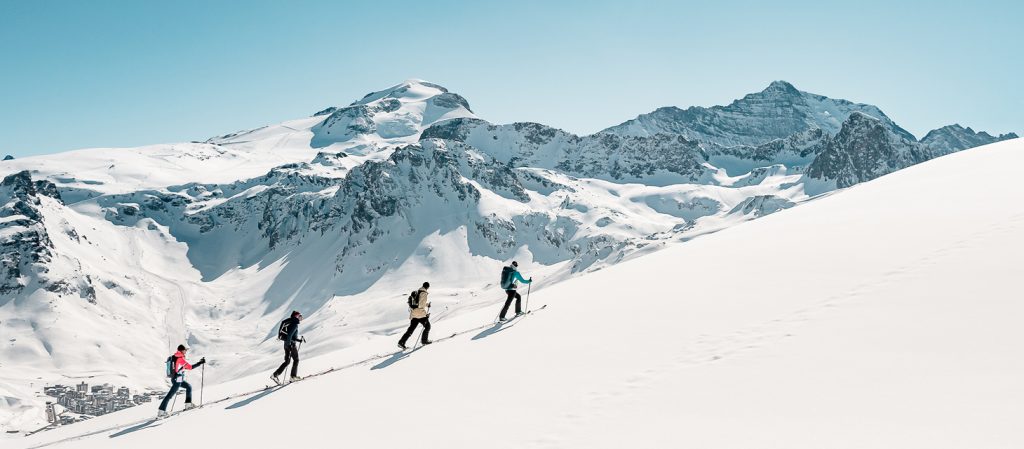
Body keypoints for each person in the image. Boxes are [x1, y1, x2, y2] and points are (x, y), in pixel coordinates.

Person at [158, 344, 205, 417]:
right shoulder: (180, 358)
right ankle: (161, 411)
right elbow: (190, 367)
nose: (186, 351)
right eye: (185, 350)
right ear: (182, 350)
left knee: (188, 387)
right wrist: (200, 363)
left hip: (176, 378)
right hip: (178, 379)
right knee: (170, 395)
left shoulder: (175, 357)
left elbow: (180, 367)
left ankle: (188, 405)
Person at [271, 311, 305, 385]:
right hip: (291, 345)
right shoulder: (294, 324)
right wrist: (290, 345)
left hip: (286, 344)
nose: (301, 317)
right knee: (296, 360)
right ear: (296, 316)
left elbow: (290, 335)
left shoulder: (291, 322)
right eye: (300, 316)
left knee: (287, 361)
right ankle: (293, 377)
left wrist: (298, 340)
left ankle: (275, 375)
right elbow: (289, 335)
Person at [398, 282, 432, 350]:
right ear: (427, 287)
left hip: (414, 315)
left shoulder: (418, 292)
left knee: (410, 330)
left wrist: (427, 304)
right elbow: (421, 305)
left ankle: (401, 342)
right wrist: (426, 315)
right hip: (420, 315)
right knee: (427, 326)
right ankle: (424, 340)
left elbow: (419, 303)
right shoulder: (424, 293)